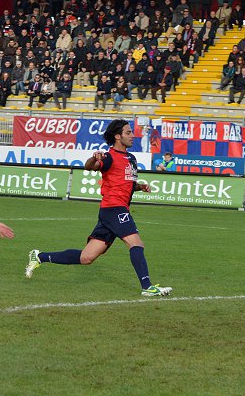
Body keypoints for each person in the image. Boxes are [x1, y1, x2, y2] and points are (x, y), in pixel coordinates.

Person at [25, 119, 172, 297]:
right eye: (128, 133)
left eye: (131, 132)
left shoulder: (131, 158)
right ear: (117, 136)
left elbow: (125, 184)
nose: (132, 135)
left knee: (86, 257)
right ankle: (147, 287)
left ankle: (39, 256)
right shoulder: (109, 157)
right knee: (136, 243)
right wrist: (94, 158)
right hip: (114, 209)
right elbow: (90, 167)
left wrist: (139, 186)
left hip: (110, 212)